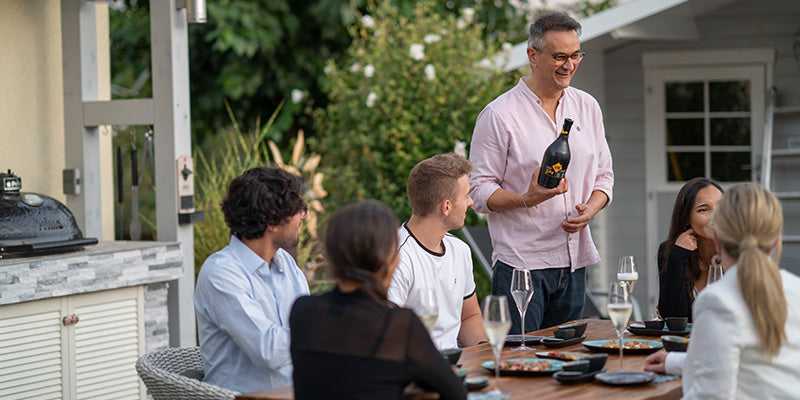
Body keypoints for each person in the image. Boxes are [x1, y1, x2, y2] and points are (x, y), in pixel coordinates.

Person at [468, 12, 613, 331]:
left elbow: (604, 177)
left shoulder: (587, 106)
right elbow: (477, 191)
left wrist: (591, 208)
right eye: (560, 56)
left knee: (567, 364)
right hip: (522, 267)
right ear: (532, 55)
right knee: (521, 366)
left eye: (576, 55)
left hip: (575, 263)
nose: (570, 64)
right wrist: (526, 198)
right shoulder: (498, 115)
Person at [290, 201, 467, 400]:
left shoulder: (302, 312)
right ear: (388, 259)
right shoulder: (399, 325)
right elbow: (456, 393)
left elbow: (342, 380)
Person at [644, 183, 800, 398]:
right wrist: (678, 362)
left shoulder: (717, 300)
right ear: (775, 243)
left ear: (717, 240)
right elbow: (755, 359)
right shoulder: (795, 289)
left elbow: (711, 396)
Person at [194, 167, 311, 393]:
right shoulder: (221, 273)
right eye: (299, 210)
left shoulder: (286, 264)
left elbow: (308, 327)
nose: (304, 216)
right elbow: (268, 351)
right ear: (272, 222)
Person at [387, 153, 488, 349]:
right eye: (466, 196)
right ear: (446, 207)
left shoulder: (460, 250)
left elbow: (468, 316)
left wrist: (486, 356)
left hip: (456, 367)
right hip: (415, 370)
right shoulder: (396, 257)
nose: (471, 203)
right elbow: (389, 333)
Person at [657, 177, 723, 321]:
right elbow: (673, 317)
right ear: (686, 217)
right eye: (704, 210)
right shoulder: (670, 251)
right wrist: (677, 256)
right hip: (687, 342)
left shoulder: (738, 252)